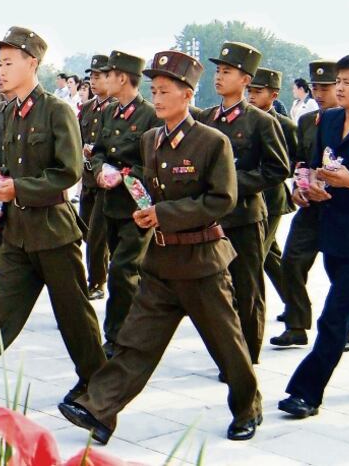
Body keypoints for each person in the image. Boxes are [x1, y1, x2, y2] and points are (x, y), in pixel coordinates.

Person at [59, 50, 263, 444]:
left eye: (166, 91)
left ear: (187, 95)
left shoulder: (211, 142)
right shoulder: (151, 139)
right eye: (155, 90)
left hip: (201, 264)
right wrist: (144, 209)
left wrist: (164, 213)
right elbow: (146, 185)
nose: (159, 98)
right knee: (136, 342)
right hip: (161, 261)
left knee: (228, 346)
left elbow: (222, 200)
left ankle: (247, 408)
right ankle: (99, 410)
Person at [0, 27, 105, 401]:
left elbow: (68, 171)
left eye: (7, 63)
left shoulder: (56, 110)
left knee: (74, 317)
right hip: (16, 232)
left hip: (53, 231)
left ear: (32, 63)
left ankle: (97, 389)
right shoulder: (4, 112)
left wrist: (18, 188)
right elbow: (3, 166)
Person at [279, 53, 349, 419]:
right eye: (337, 81)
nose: (338, 88)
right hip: (332, 228)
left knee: (334, 315)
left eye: (348, 82)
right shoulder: (330, 120)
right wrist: (305, 187)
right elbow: (311, 164)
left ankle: (306, 393)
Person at [198, 42, 290, 365]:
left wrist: (235, 183)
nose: (219, 77)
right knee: (218, 289)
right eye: (218, 71)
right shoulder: (208, 118)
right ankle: (227, 350)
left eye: (227, 72)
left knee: (247, 287)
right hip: (212, 217)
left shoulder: (260, 122)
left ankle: (247, 356)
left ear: (246, 79)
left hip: (245, 216)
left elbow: (279, 168)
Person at [88, 51, 161, 356]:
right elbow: (100, 152)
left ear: (122, 78)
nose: (104, 79)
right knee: (124, 267)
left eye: (109, 74)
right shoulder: (110, 112)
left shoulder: (150, 115)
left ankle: (118, 336)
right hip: (110, 203)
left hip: (137, 206)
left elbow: (157, 165)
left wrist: (126, 174)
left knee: (122, 270)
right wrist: (100, 169)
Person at [272, 61, 340, 347]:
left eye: (326, 87)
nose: (320, 93)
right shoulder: (307, 121)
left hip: (341, 209)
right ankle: (297, 324)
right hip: (311, 206)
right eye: (316, 87)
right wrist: (298, 188)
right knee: (291, 263)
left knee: (341, 271)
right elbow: (301, 160)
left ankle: (348, 327)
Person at [246, 68, 295, 312]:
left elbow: (292, 163)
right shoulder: (244, 118)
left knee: (254, 259)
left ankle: (248, 308)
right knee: (270, 257)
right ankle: (295, 304)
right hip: (248, 201)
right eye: (250, 91)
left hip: (271, 199)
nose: (252, 97)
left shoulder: (284, 125)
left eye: (258, 92)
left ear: (273, 95)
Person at [78, 55, 114, 300]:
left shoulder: (115, 108)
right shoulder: (88, 108)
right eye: (91, 76)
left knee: (98, 235)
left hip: (106, 180)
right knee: (85, 230)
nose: (93, 80)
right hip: (87, 178)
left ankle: (97, 281)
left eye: (98, 76)